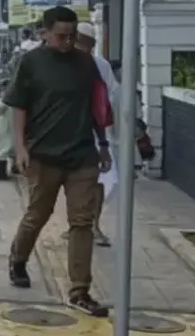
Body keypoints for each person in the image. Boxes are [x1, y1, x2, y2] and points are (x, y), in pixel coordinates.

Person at [6, 6, 112, 316]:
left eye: (71, 36)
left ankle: (79, 290)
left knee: (82, 222)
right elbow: (19, 107)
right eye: (61, 36)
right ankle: (18, 258)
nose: (67, 42)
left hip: (81, 155)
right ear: (45, 33)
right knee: (38, 214)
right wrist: (20, 147)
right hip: (43, 155)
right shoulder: (31, 62)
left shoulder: (85, 63)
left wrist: (103, 144)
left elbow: (95, 106)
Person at [75, 21, 117, 247]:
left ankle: (93, 225)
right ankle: (79, 224)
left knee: (98, 181)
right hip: (70, 134)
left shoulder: (101, 66)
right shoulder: (64, 63)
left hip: (96, 134)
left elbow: (108, 102)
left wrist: (105, 141)